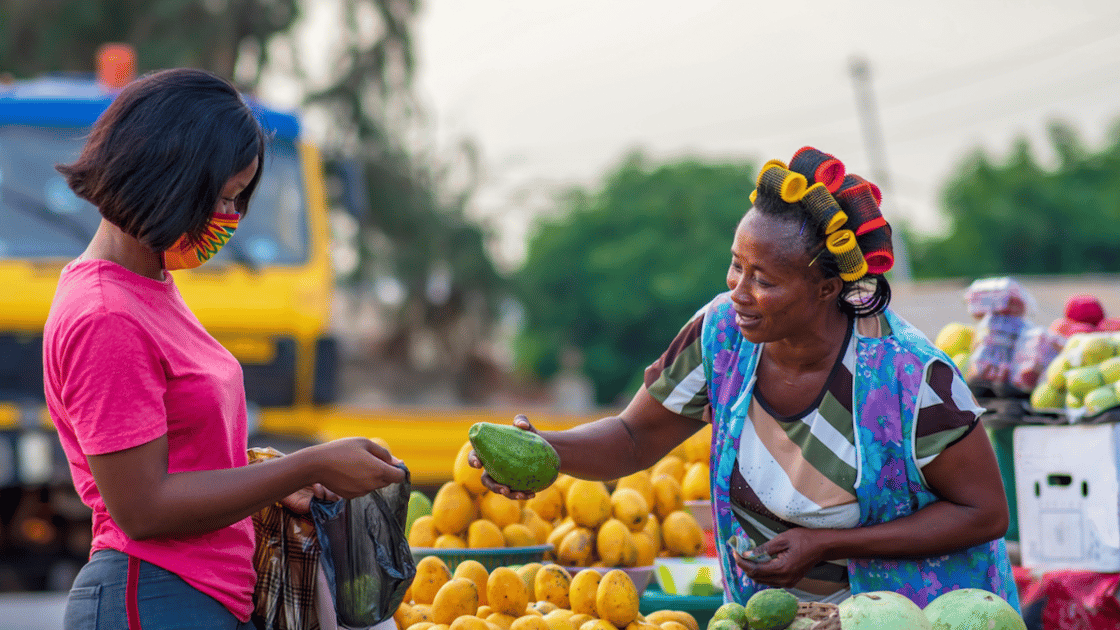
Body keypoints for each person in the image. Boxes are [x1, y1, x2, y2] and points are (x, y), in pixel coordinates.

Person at [472, 147, 1020, 611]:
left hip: (923, 615)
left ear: (828, 288)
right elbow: (634, 437)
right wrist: (547, 450)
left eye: (764, 279)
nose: (738, 291)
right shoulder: (721, 335)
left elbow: (984, 512)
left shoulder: (908, 375)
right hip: (781, 617)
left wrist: (829, 545)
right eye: (737, 266)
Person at [43, 68, 406, 630]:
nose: (230, 219)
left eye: (238, 200)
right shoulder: (106, 314)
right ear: (163, 176)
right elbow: (142, 509)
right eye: (222, 196)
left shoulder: (152, 285)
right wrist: (306, 465)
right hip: (155, 598)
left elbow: (188, 459)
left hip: (205, 596)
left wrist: (274, 476)